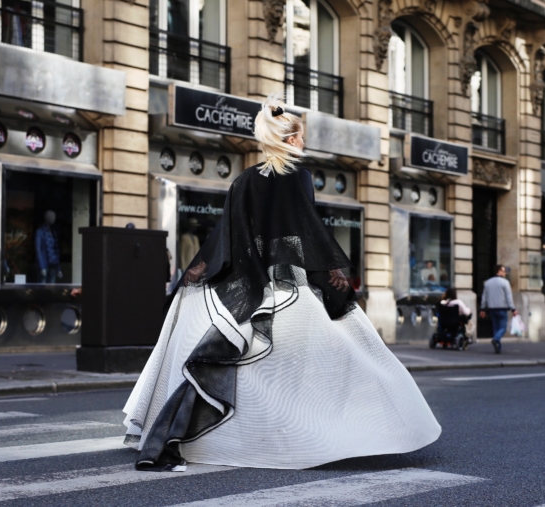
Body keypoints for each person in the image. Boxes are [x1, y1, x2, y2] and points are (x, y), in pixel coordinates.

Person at [122, 93, 441, 472]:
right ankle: (333, 433)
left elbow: (227, 233)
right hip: (288, 284)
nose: (303, 142)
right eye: (301, 136)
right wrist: (332, 272)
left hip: (247, 284)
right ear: (290, 139)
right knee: (345, 358)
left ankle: (206, 436)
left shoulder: (244, 180)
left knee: (243, 363)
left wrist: (201, 267)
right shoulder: (298, 177)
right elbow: (304, 232)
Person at [479, 264, 517, 354]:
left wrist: (482, 309)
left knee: (496, 328)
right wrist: (513, 309)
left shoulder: (487, 282)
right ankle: (496, 339)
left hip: (492, 308)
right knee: (503, 327)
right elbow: (509, 297)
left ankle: (498, 347)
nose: (505, 272)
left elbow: (484, 297)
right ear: (498, 271)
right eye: (503, 270)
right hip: (502, 308)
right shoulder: (505, 282)